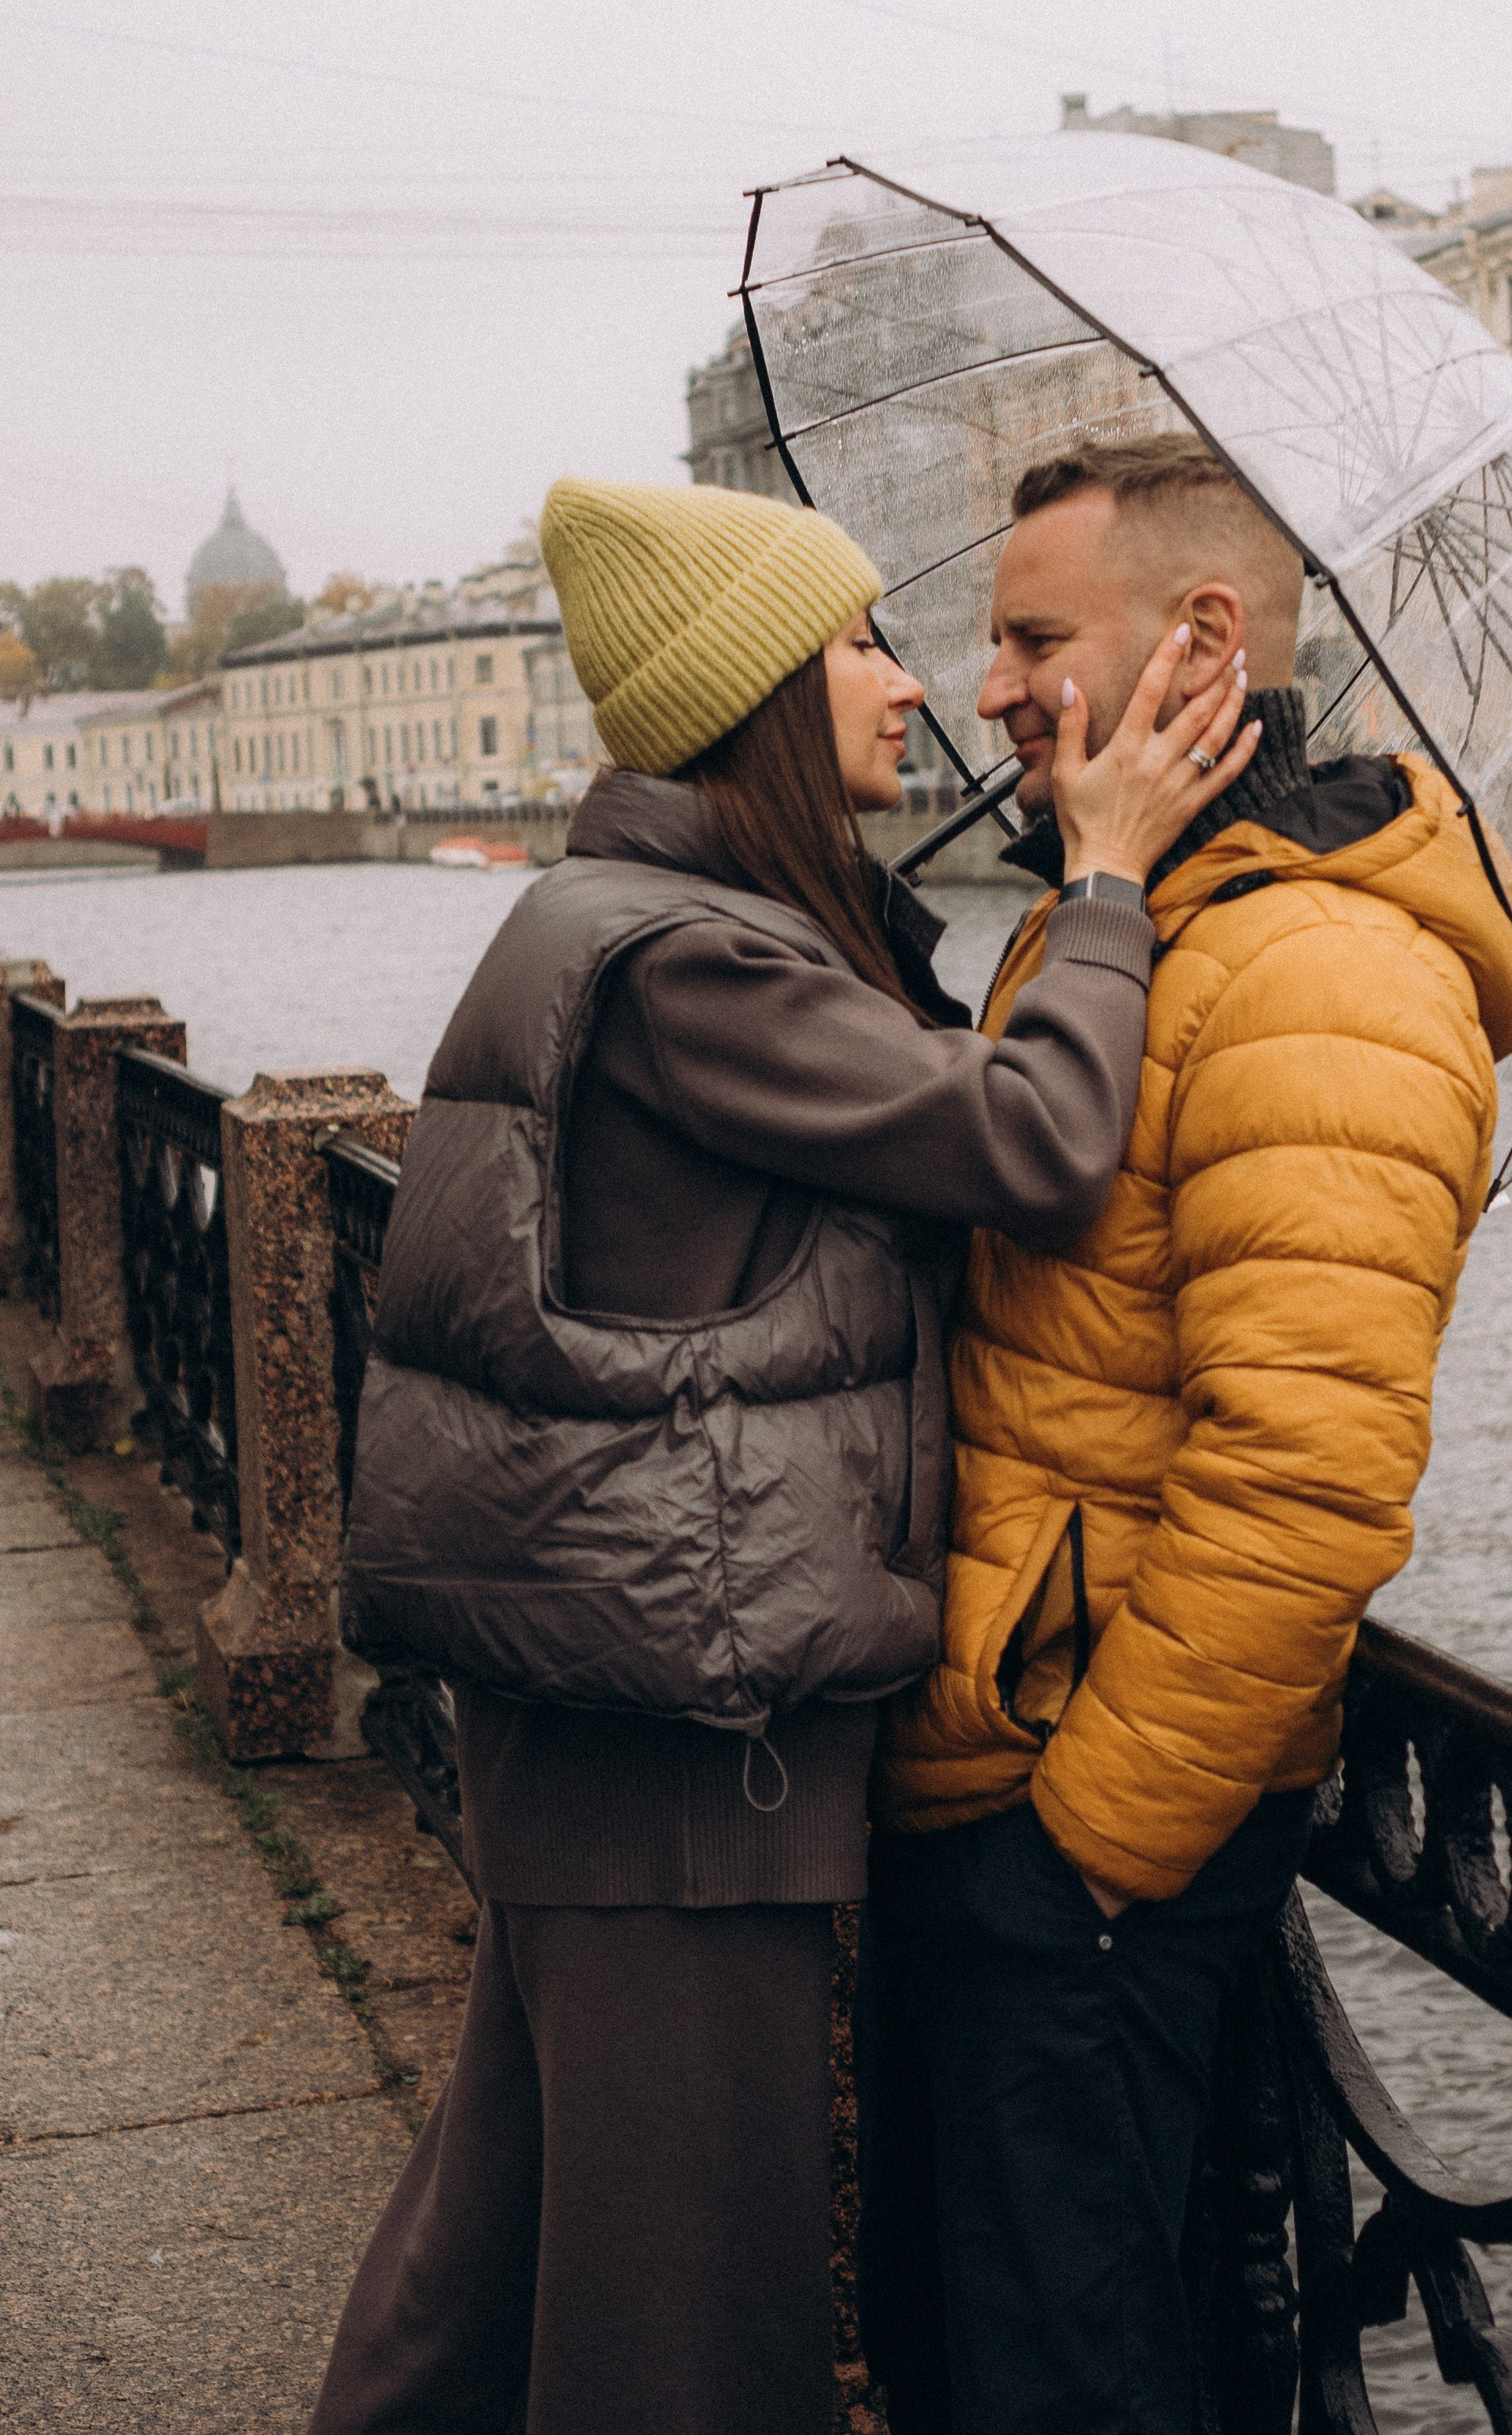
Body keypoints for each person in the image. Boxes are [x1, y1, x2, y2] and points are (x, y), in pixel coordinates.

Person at [308, 472, 1258, 2435]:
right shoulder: (689, 965)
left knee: (488, 2272)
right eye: (852, 647)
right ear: (749, 695)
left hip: (614, 1707)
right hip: (685, 1724)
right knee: (691, 2327)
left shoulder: (648, 926)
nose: (907, 687)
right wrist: (1097, 887)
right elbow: (1032, 1142)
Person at [862, 435, 1512, 2435]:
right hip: (992, 1762)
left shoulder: (1320, 966)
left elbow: (1304, 1481)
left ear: (1203, 641)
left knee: (1057, 2384)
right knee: (988, 2357)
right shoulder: (1137, 914)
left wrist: (1081, 1859)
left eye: (1030, 637)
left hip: (1080, 1836)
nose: (985, 685)